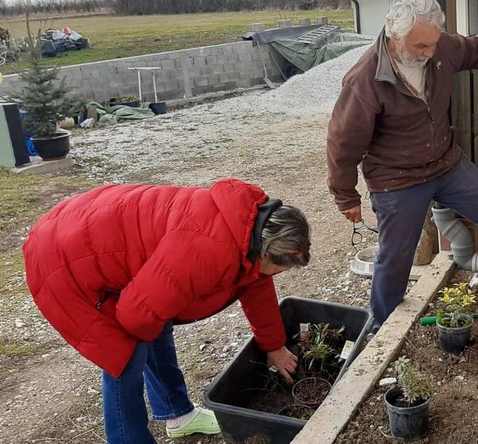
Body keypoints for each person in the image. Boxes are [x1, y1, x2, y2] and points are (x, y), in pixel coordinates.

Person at [22, 178, 311, 443]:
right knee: (124, 354)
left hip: (94, 232)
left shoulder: (248, 229)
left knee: (156, 318)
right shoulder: (208, 250)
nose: (277, 274)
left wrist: (273, 346)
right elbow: (135, 315)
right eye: (280, 268)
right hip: (62, 259)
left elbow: (256, 288)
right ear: (266, 251)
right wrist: (145, 335)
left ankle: (177, 414)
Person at [327, 0, 478, 329]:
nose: (429, 52)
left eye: (433, 44)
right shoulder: (364, 80)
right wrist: (345, 195)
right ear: (395, 36)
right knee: (395, 256)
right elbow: (342, 143)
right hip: (396, 179)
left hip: (444, 163)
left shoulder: (440, 48)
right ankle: (383, 325)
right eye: (420, 46)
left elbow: (473, 49)